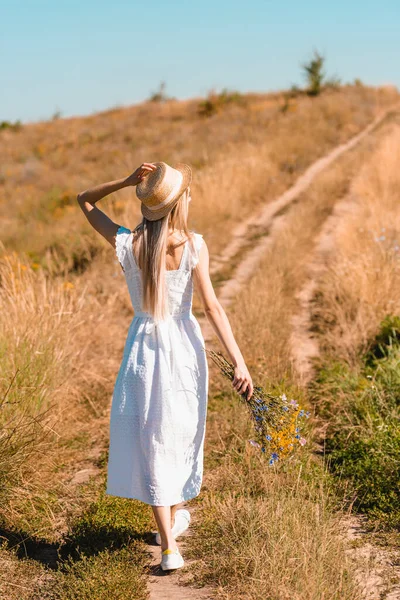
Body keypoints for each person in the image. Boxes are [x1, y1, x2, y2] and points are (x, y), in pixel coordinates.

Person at [77, 161, 253, 571]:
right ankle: (169, 542)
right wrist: (239, 363)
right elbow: (212, 308)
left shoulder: (127, 243)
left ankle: (169, 533)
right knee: (176, 432)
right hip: (183, 348)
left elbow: (83, 201)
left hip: (143, 347)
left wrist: (124, 182)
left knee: (151, 436)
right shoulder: (193, 245)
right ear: (179, 203)